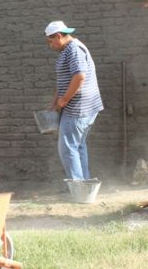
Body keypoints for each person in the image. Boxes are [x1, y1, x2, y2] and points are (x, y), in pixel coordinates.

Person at [45, 20, 103, 181]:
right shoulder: (69, 49)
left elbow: (79, 77)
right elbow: (67, 78)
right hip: (82, 106)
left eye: (51, 41)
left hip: (78, 107)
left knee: (67, 147)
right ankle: (83, 184)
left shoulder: (74, 50)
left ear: (58, 36)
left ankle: (77, 185)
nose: (51, 46)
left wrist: (64, 99)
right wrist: (55, 100)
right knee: (77, 146)